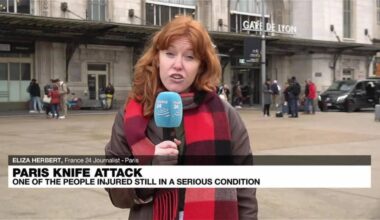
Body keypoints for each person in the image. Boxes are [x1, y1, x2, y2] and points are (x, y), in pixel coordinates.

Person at [105, 15, 258, 220]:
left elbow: (245, 189)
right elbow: (117, 194)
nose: (178, 65)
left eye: (189, 57)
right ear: (157, 59)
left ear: (201, 65)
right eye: (170, 54)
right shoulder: (129, 115)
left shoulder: (226, 114)